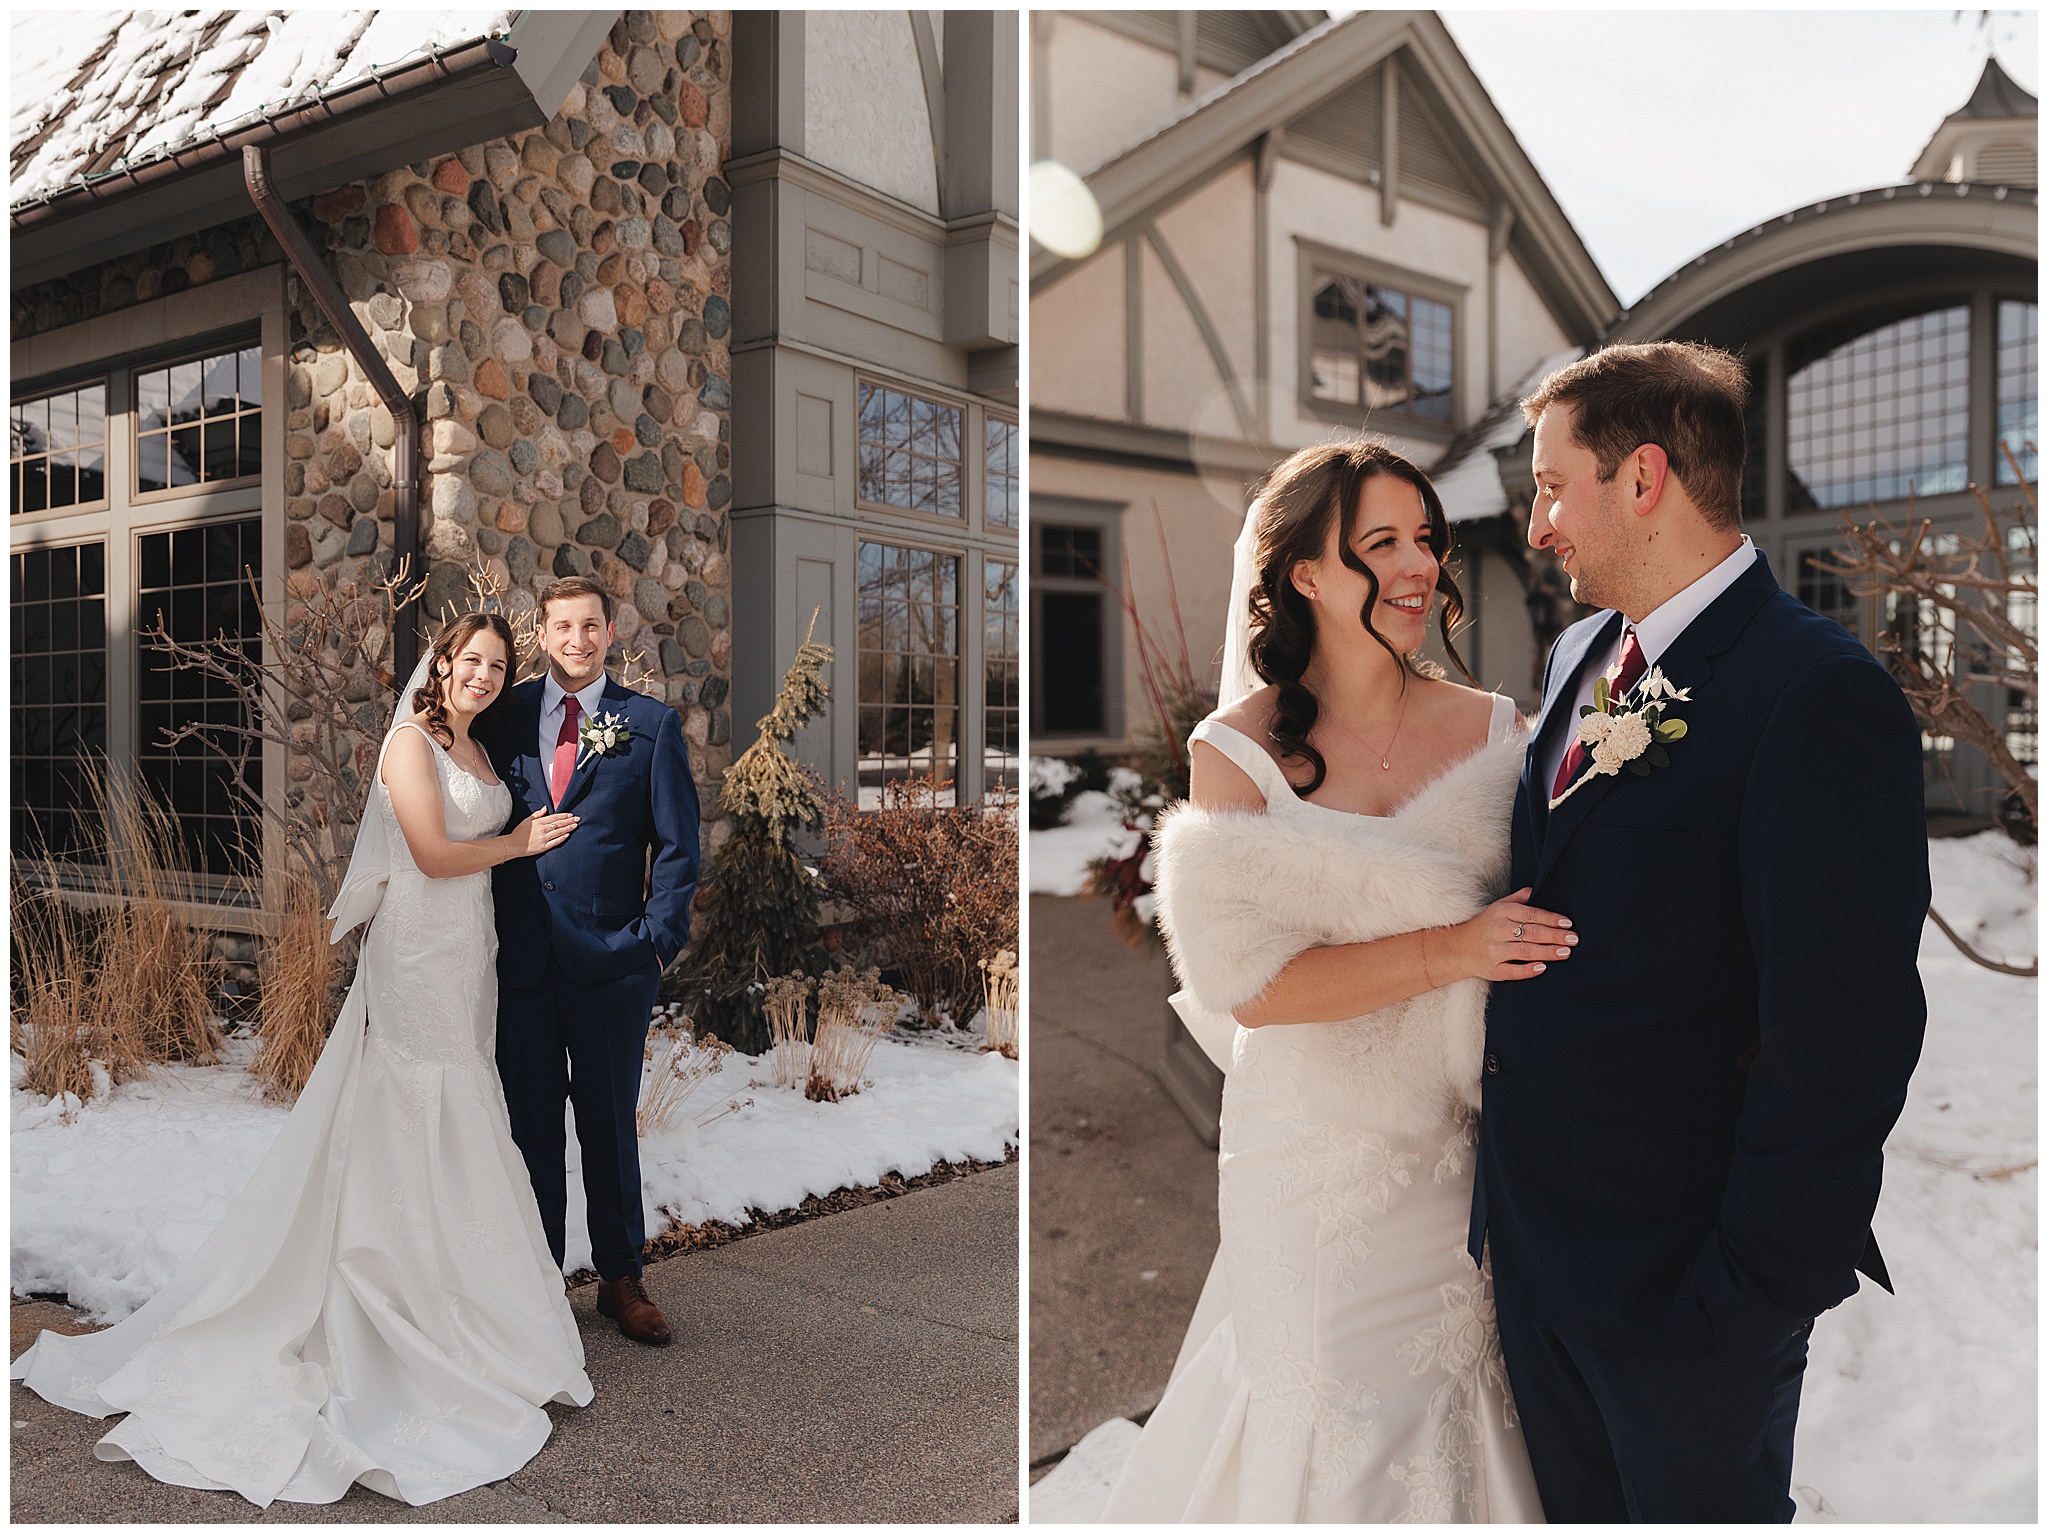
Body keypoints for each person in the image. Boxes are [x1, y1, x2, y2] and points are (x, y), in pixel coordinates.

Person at [1042, 440, 1566, 1522]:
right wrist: (1450, 949)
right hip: (1311, 1154)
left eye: (1425, 539)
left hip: (1459, 1147)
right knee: (1324, 1406)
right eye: (1380, 543)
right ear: (1303, 576)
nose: (1419, 564)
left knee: (1458, 1388)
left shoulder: (1495, 731)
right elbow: (1255, 989)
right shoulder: (1231, 754)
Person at [1472, 342, 1929, 1522]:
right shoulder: (1579, 653)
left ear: (1641, 478)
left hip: (1687, 1298)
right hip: (1536, 1266)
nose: (1536, 525)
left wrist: (1746, 1295)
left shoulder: (1813, 691)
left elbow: (1843, 1033)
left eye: (1550, 484)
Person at [12, 612, 595, 1508]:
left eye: (495, 665)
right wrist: (520, 841)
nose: (482, 674)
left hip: (466, 954)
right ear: (439, 664)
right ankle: (388, 1308)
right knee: (410, 1107)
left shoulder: (480, 749)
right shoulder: (410, 743)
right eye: (468, 660)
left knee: (464, 1107)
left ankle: (470, 1314)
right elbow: (437, 855)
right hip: (415, 947)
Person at [476, 576, 701, 1347]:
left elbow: (677, 850)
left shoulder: (650, 725)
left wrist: (653, 946)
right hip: (524, 965)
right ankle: (539, 1283)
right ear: (541, 633)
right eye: (562, 625)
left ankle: (620, 1278)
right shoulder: (501, 717)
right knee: (531, 1126)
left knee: (608, 1125)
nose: (576, 638)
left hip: (614, 964)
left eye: (591, 626)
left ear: (611, 633)